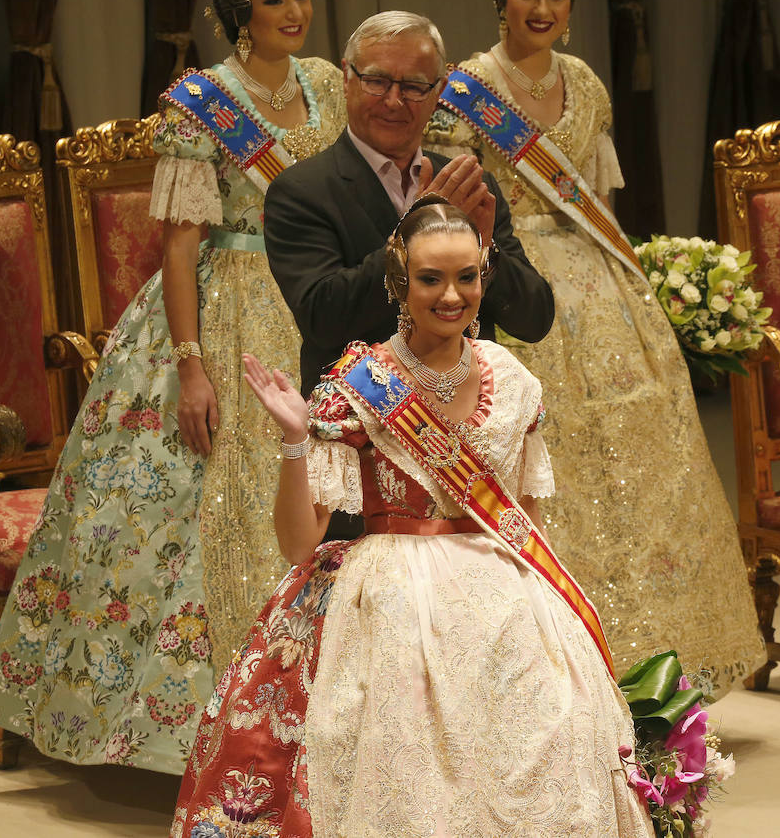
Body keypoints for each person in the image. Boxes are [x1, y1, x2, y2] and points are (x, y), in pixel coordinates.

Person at [0, 0, 346, 774]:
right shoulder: (200, 102)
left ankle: (319, 704)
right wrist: (190, 364)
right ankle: (199, 728)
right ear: (239, 7)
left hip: (314, 295)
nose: (295, 14)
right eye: (276, 0)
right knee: (212, 504)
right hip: (229, 307)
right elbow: (180, 247)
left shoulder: (326, 85)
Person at [172, 199, 652, 837]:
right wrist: (295, 440)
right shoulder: (359, 383)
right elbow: (298, 543)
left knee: (557, 732)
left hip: (499, 595)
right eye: (431, 279)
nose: (451, 296)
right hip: (388, 593)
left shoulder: (513, 382)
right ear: (399, 284)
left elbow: (520, 525)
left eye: (466, 278)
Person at [423, 0, 763, 683]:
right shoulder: (464, 92)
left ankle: (658, 654)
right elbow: (452, 216)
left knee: (642, 460)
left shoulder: (588, 83)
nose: (540, 9)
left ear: (572, 2)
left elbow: (600, 200)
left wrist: (631, 281)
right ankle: (555, 661)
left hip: (603, 294)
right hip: (511, 284)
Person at [263, 10, 555, 395]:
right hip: (360, 420)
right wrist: (417, 226)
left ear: (440, 89)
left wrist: (486, 252)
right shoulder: (300, 190)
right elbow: (324, 318)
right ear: (347, 78)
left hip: (473, 416)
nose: (394, 101)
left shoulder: (470, 183)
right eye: (377, 81)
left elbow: (534, 322)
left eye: (415, 86)